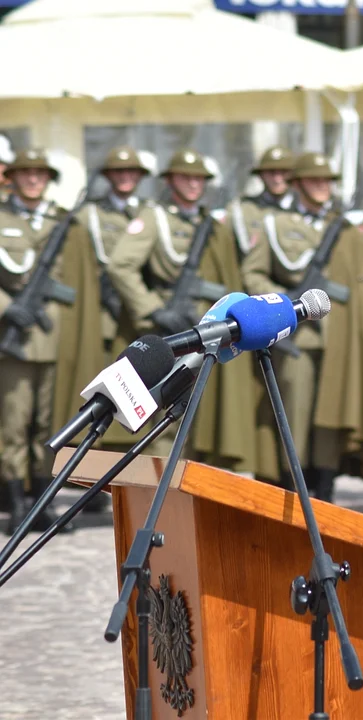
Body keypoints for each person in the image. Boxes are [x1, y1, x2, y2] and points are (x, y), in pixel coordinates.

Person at [106, 148, 274, 478]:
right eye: (186, 177)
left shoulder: (209, 223)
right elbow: (120, 265)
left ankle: (188, 493)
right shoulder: (155, 219)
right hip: (173, 330)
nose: (194, 184)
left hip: (209, 330)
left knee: (200, 417)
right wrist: (152, 308)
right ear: (170, 181)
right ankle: (156, 494)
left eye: (200, 179)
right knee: (168, 418)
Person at [242, 151, 363, 501]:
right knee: (294, 410)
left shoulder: (343, 230)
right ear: (297, 184)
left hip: (340, 335)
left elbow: (362, 281)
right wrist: (284, 302)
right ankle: (291, 482)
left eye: (327, 181)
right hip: (299, 335)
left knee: (334, 411)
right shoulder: (274, 225)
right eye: (314, 180)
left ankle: (326, 485)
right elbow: (253, 273)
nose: (322, 187)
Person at [0, 149, 104, 535]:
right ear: (12, 177)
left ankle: (41, 503)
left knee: (51, 424)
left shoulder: (63, 222)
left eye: (39, 174)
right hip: (13, 340)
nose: (32, 179)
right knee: (13, 422)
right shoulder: (3, 217)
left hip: (54, 338)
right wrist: (8, 307)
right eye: (25, 173)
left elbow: (76, 280)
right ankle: (14, 503)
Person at [81, 145, 153, 356]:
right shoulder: (90, 214)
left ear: (140, 176)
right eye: (118, 171)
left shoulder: (151, 211)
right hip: (106, 312)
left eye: (131, 171)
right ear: (108, 175)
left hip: (143, 310)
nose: (125, 176)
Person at [228, 145, 295, 258]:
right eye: (271, 172)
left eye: (283, 172)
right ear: (261, 175)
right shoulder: (244, 210)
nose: (277, 179)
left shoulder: (305, 210)